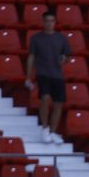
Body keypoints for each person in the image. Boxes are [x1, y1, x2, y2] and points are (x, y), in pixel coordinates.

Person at [24, 10, 73, 144]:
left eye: (52, 21)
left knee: (58, 104)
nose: (49, 23)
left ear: (55, 22)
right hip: (43, 73)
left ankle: (52, 131)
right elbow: (31, 57)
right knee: (45, 98)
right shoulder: (36, 38)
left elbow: (68, 56)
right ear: (43, 22)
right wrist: (28, 77)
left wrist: (65, 60)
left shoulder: (61, 38)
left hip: (57, 75)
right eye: (47, 21)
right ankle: (45, 127)